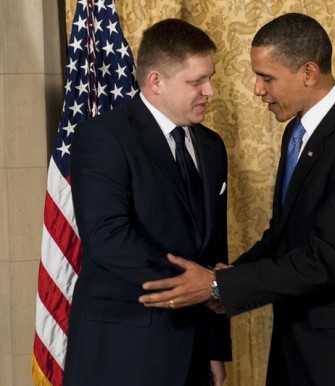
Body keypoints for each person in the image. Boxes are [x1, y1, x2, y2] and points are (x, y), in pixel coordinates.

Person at [139, 13, 335, 385]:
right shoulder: (299, 131)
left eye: (267, 77)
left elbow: (326, 259)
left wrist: (220, 286)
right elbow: (284, 234)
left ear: (309, 73)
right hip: (298, 345)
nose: (257, 89)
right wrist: (229, 276)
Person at [63, 19, 231, 386]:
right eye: (196, 81)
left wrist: (216, 345)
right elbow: (108, 236)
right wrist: (199, 285)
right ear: (156, 82)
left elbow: (215, 245)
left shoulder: (212, 146)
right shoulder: (103, 137)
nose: (210, 91)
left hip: (195, 350)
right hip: (124, 350)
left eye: (210, 78)